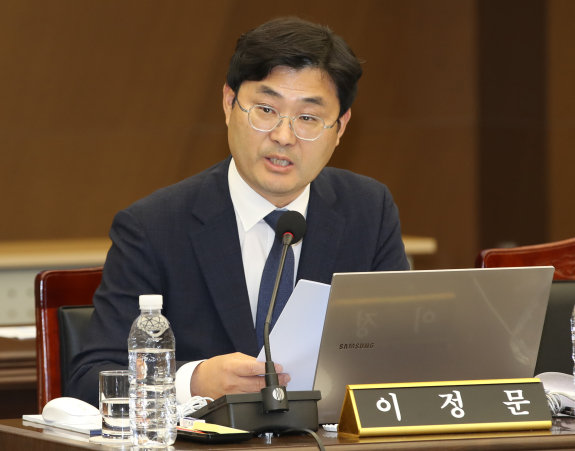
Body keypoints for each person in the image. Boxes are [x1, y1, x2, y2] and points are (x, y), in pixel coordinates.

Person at [68, 16, 410, 407]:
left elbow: (402, 350)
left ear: (341, 127)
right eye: (265, 109)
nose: (283, 136)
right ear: (229, 104)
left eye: (308, 118)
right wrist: (194, 381)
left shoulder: (368, 210)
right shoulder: (153, 227)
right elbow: (90, 379)